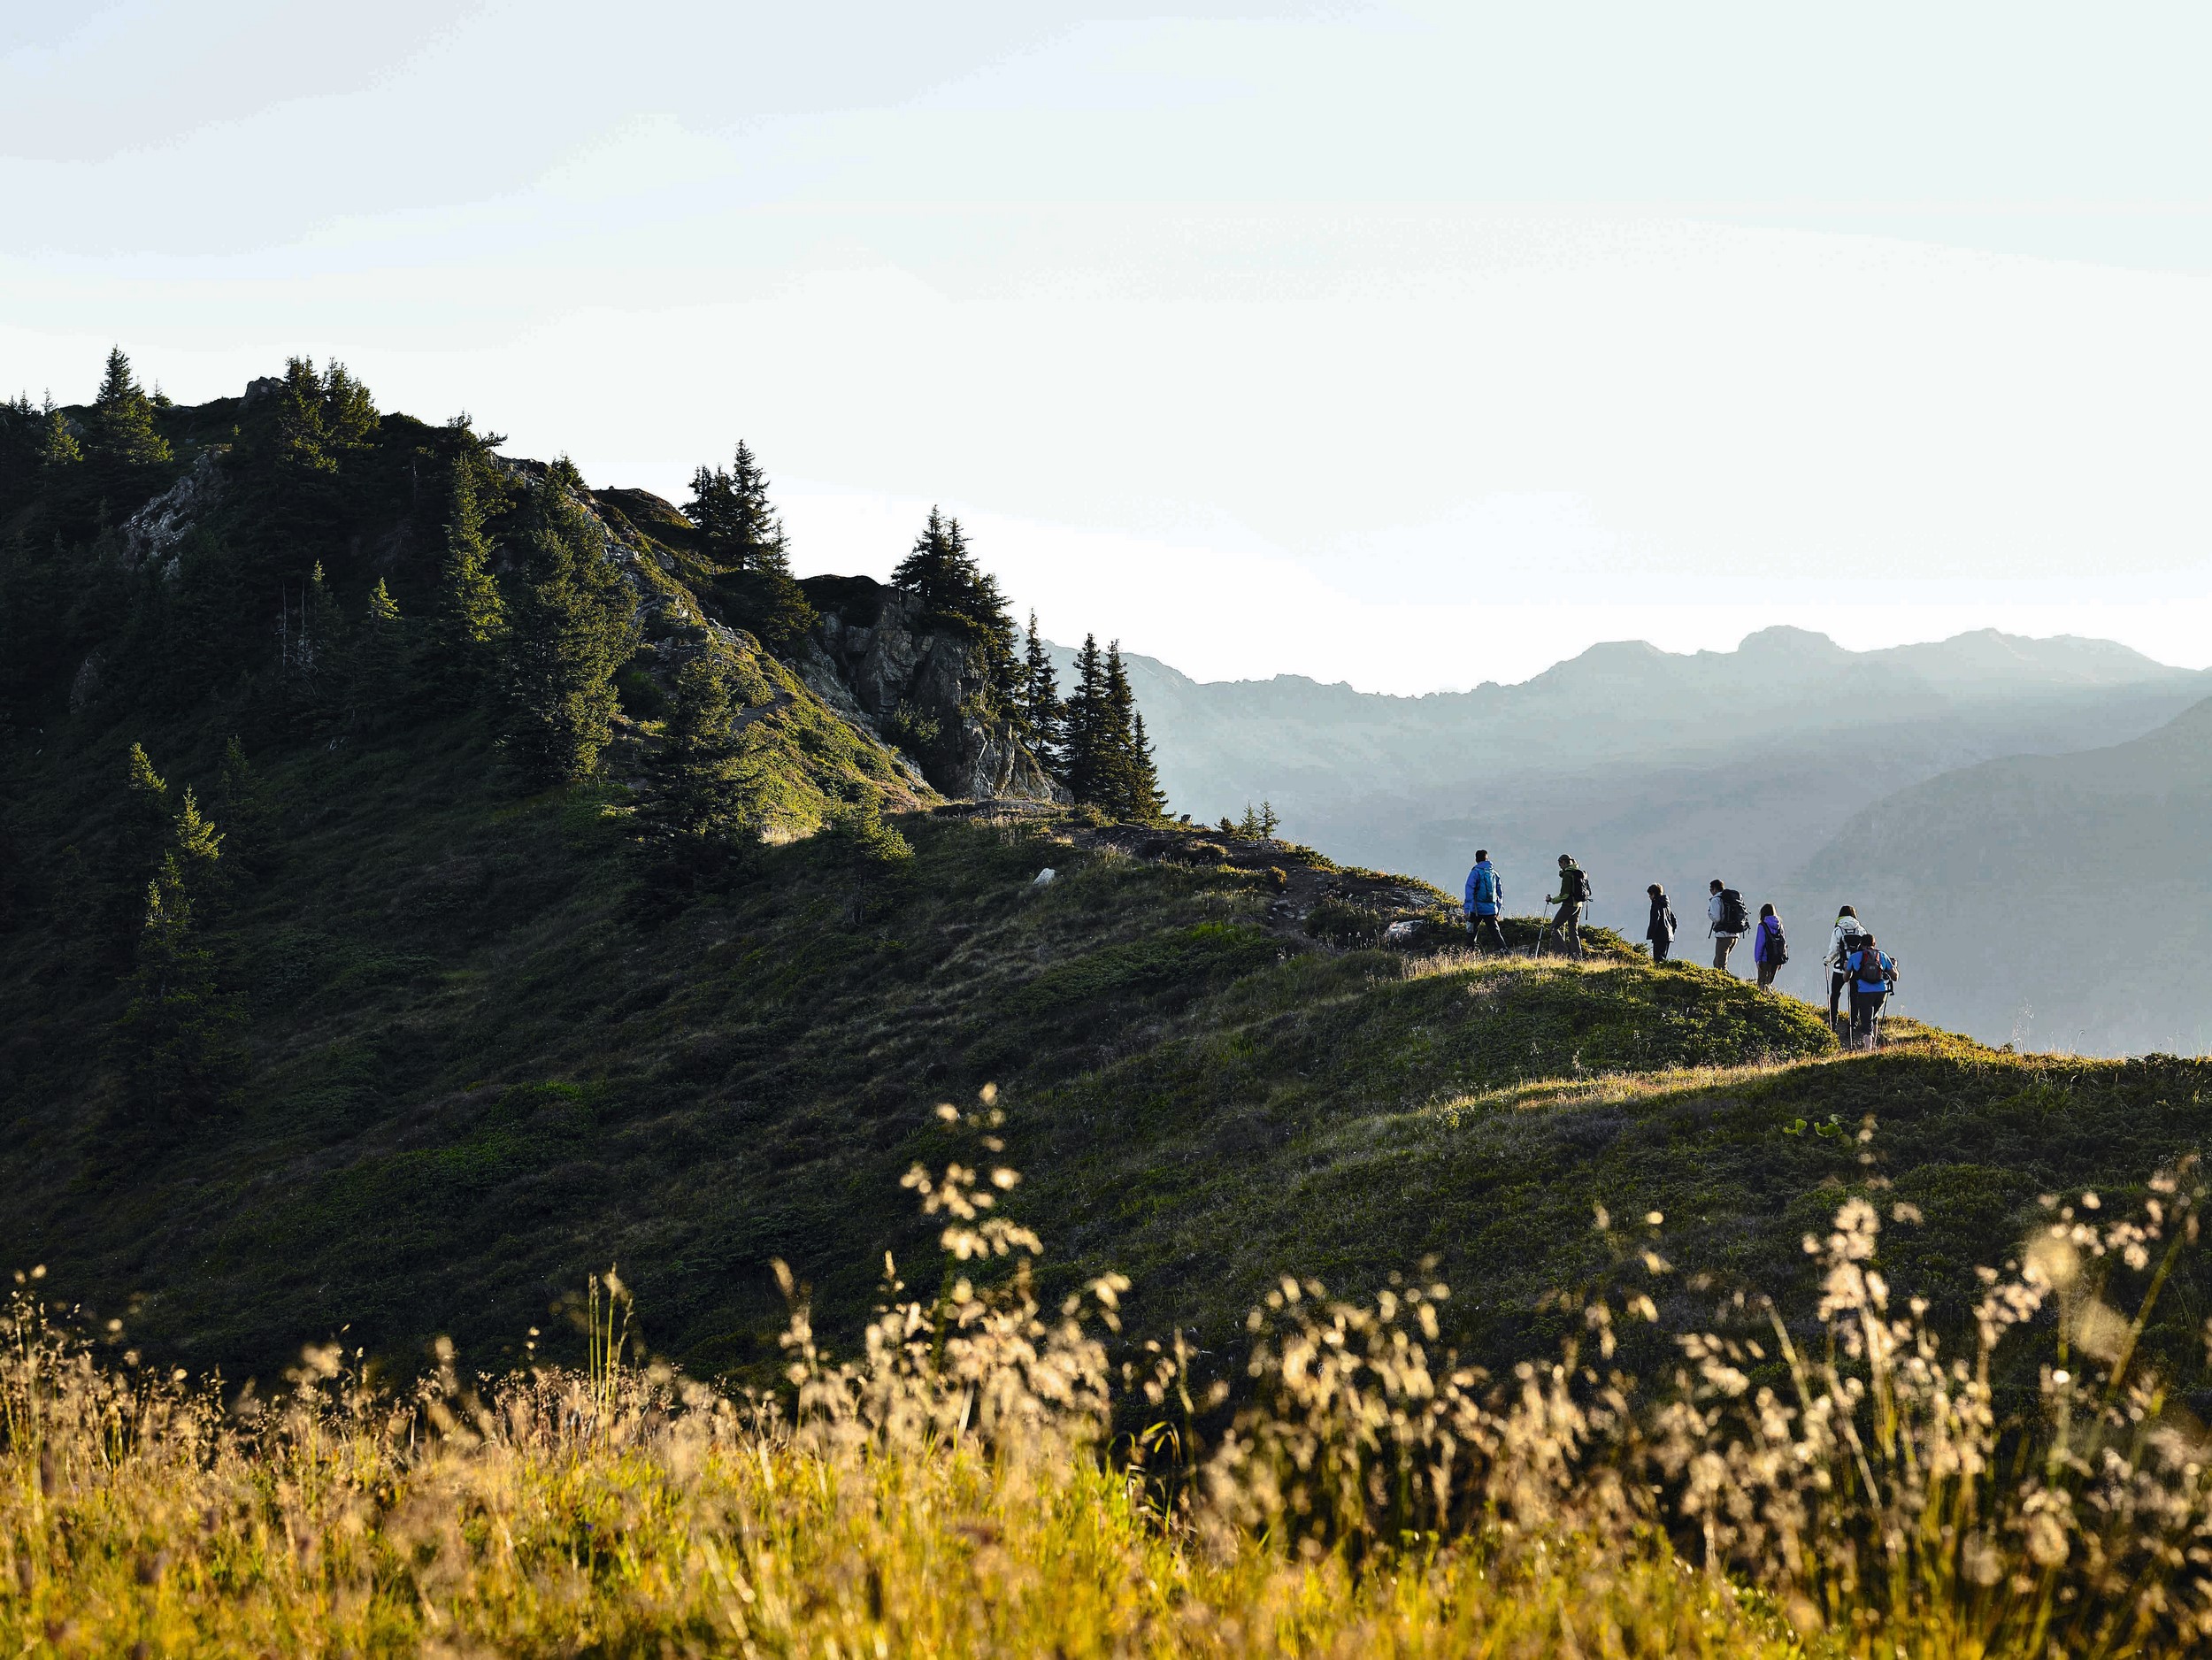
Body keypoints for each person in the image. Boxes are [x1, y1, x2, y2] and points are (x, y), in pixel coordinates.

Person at [1845, 932, 1897, 1046]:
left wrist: (1846, 967)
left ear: (1861, 944)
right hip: (1881, 992)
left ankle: (1868, 1051)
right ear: (1874, 944)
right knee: (1875, 1016)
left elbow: (1846, 978)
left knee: (1866, 1023)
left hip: (1864, 992)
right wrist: (1895, 966)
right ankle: (1874, 1047)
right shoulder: (1882, 955)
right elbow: (1895, 977)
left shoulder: (1854, 957)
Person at [1824, 905, 1870, 1031]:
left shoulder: (1838, 930)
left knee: (1835, 994)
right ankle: (1853, 1023)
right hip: (1857, 968)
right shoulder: (1860, 930)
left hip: (1840, 967)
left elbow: (1834, 950)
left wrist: (1827, 960)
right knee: (1854, 995)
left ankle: (1833, 1021)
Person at [1540, 854, 1590, 959]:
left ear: (1564, 862)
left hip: (1569, 905)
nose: (1559, 866)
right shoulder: (1579, 873)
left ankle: (1562, 953)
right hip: (1579, 905)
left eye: (1560, 863)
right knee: (1573, 931)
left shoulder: (1568, 875)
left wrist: (1552, 900)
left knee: (1553, 927)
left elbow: (1565, 895)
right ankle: (1577, 956)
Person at [1463, 849, 1507, 953]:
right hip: (1491, 909)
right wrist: (1498, 910)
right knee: (1495, 933)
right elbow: (1500, 893)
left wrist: (1467, 910)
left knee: (1471, 933)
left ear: (1476, 860)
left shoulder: (1475, 872)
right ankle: (1504, 950)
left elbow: (1469, 891)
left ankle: (1468, 954)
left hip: (1476, 909)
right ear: (1487, 859)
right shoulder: (1494, 873)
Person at [1707, 879, 1748, 973]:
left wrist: (1709, 913)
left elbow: (1717, 918)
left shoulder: (1716, 900)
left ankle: (1726, 985)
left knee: (1720, 965)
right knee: (1717, 962)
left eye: (1711, 889)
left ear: (1714, 889)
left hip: (1723, 935)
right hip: (1735, 935)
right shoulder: (1729, 898)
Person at [1752, 902, 1787, 989]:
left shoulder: (1762, 926)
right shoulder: (1780, 926)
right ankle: (1768, 997)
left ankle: (1762, 1000)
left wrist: (1758, 960)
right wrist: (1782, 958)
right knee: (1769, 982)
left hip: (1765, 958)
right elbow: (1783, 943)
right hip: (1776, 958)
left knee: (1762, 983)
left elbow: (1760, 944)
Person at [1645, 883, 1678, 962]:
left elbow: (1655, 920)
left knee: (1657, 959)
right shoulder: (1667, 905)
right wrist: (1671, 932)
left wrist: (1652, 933)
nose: (1650, 897)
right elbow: (1674, 921)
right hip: (1668, 936)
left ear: (1654, 894)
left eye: (1650, 895)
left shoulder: (1655, 904)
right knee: (1663, 958)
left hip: (1659, 935)